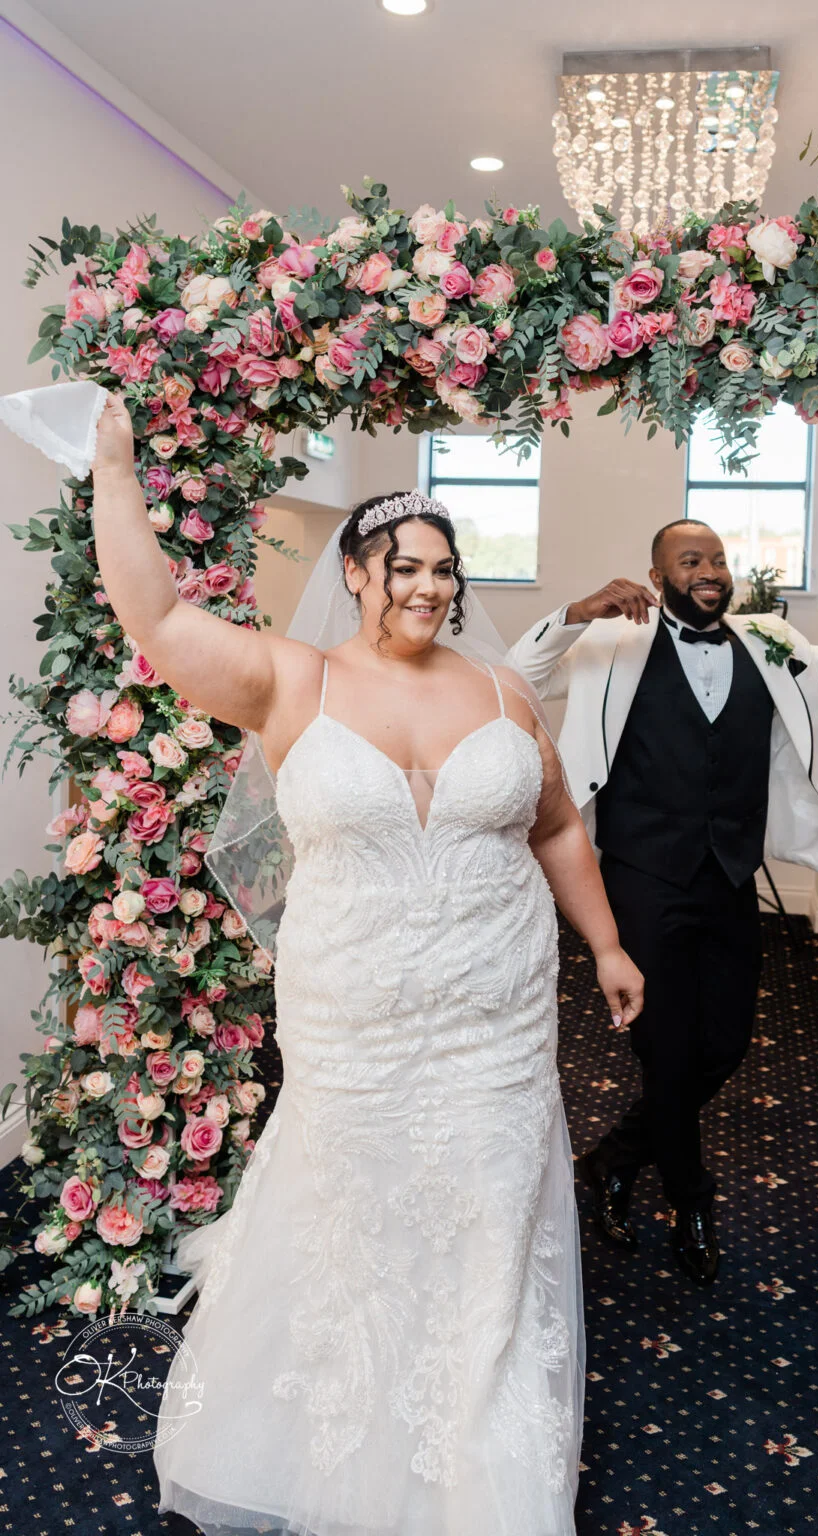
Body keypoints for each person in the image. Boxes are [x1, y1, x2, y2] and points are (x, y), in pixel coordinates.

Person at [86, 393, 644, 1536]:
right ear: (354, 571)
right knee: (356, 1228)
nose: (431, 588)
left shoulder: (500, 689)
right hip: (357, 1028)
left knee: (490, 1227)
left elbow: (553, 826)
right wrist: (112, 464)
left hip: (494, 1026)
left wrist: (606, 943)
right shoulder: (290, 681)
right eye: (405, 566)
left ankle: (477, 1459)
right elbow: (153, 615)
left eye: (445, 569)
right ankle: (332, 1443)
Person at [508, 517, 818, 1287]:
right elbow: (518, 673)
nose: (710, 570)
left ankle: (615, 1159)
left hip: (728, 876)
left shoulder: (769, 641)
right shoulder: (612, 645)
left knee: (725, 1044)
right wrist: (578, 611)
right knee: (667, 1047)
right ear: (659, 578)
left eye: (717, 558)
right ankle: (691, 1200)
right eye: (690, 561)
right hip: (640, 877)